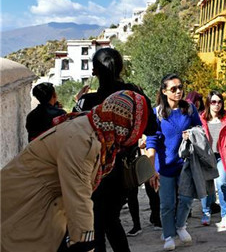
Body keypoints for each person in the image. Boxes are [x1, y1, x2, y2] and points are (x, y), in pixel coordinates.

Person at [1, 90, 150, 252]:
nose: (138, 133)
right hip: (23, 206)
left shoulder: (93, 129)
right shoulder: (82, 140)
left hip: (39, 205)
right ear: (125, 122)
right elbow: (78, 196)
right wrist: (85, 243)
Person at [73, 47, 148, 252]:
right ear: (121, 68)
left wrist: (78, 103)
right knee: (111, 220)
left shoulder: (88, 101)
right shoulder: (135, 97)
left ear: (94, 71)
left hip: (94, 171)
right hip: (124, 170)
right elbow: (151, 127)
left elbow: (74, 131)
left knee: (98, 222)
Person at [146, 74, 202, 251]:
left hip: (186, 163)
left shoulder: (189, 109)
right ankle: (169, 235)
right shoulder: (157, 113)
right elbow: (151, 141)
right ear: (164, 91)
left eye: (180, 87)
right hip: (165, 165)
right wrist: (151, 169)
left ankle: (180, 226)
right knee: (167, 204)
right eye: (173, 89)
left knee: (186, 199)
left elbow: (200, 129)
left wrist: (191, 133)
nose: (178, 91)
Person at [199, 90, 226, 229]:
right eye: (213, 102)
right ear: (208, 103)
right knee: (206, 187)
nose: (217, 104)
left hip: (222, 157)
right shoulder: (201, 119)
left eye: (219, 102)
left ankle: (225, 215)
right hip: (206, 157)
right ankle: (206, 212)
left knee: (222, 183)